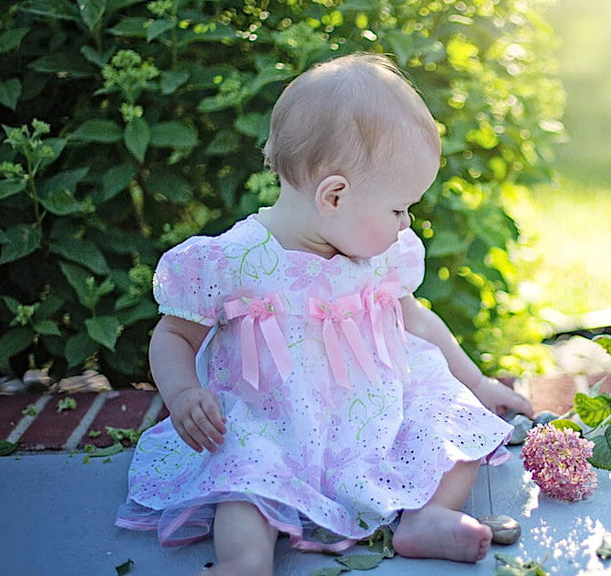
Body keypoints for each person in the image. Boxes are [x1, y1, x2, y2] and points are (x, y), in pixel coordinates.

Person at [116, 53, 534, 575]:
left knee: (448, 425)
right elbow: (173, 335)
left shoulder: (378, 253)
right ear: (335, 195)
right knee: (246, 471)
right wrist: (182, 394)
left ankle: (428, 517)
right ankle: (246, 562)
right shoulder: (235, 259)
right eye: (400, 207)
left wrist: (476, 382)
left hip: (380, 403)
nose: (406, 224)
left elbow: (417, 321)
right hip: (276, 416)